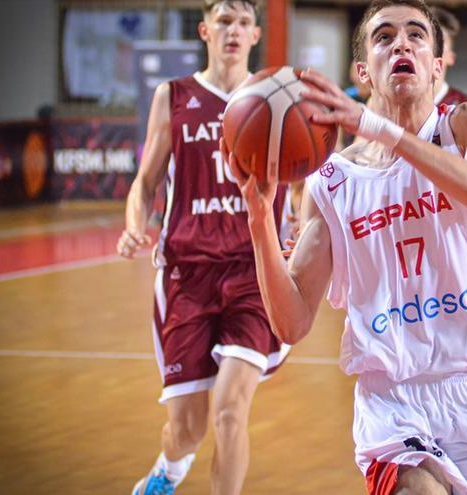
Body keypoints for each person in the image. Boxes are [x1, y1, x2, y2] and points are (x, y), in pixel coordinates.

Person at [224, 1, 467, 494]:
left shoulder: (465, 125)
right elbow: (290, 322)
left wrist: (377, 128)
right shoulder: (331, 182)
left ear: (437, 66)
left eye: (417, 35)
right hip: (396, 404)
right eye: (384, 37)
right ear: (363, 72)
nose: (402, 43)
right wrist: (258, 217)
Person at [117, 1, 290, 494]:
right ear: (205, 31)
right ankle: (168, 470)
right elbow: (146, 181)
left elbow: (302, 174)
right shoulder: (173, 96)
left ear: (256, 34)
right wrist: (135, 224)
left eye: (242, 23)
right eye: (223, 22)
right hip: (186, 274)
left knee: (232, 411)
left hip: (255, 270)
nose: (233, 31)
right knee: (186, 430)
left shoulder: (275, 97)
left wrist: (299, 219)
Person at [431, 6, 467, 105]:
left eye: (438, 43)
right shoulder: (392, 106)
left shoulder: (466, 107)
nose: (430, 50)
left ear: (451, 58)